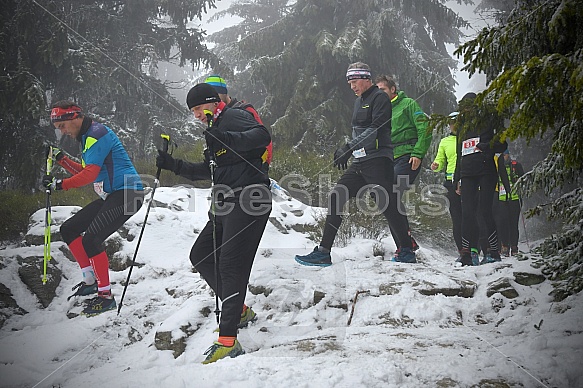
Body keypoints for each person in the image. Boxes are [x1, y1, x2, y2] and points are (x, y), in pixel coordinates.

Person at [155, 83, 272, 364]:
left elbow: (262, 135)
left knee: (231, 264)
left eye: (198, 108)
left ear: (211, 103)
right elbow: (207, 170)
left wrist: (225, 138)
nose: (195, 114)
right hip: (227, 202)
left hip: (251, 199)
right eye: (192, 111)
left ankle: (228, 341)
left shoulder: (232, 117)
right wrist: (174, 165)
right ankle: (240, 310)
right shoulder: (214, 128)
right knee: (201, 255)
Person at [294, 62, 415, 266]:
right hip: (360, 161)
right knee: (336, 196)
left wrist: (348, 147)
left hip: (378, 160)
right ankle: (324, 252)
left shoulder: (380, 98)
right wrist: (350, 151)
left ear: (367, 78)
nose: (352, 86)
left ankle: (406, 250)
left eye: (355, 81)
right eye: (349, 82)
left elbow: (376, 129)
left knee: (387, 204)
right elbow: (358, 131)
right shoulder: (360, 101)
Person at [43, 101, 144, 316]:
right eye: (58, 128)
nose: (62, 131)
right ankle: (90, 280)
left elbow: (88, 176)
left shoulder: (96, 133)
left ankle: (105, 296)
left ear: (75, 117)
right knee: (69, 229)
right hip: (112, 195)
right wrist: (61, 159)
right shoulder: (86, 137)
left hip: (128, 194)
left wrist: (59, 185)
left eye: (63, 126)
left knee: (92, 239)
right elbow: (86, 170)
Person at [375, 75, 432, 256]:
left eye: (383, 90)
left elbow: (424, 128)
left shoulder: (408, 104)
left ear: (392, 89)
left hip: (407, 156)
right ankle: (406, 241)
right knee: (385, 197)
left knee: (392, 193)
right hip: (387, 159)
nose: (380, 94)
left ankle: (404, 246)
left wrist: (417, 153)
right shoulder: (380, 111)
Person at [453, 92, 507, 266]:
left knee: (485, 211)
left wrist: (484, 146)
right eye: (464, 107)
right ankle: (466, 254)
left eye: (469, 106)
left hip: (486, 171)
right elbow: (458, 153)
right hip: (467, 173)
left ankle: (493, 252)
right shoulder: (461, 127)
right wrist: (457, 179)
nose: (467, 110)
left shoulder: (487, 120)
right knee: (466, 213)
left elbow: (502, 144)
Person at [205, 74, 273, 165]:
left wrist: (264, 163)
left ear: (225, 93)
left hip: (252, 168)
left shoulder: (244, 109)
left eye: (217, 95)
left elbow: (263, 137)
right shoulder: (214, 117)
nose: (215, 100)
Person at [431, 111, 462, 256]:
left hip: (468, 181)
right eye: (451, 122)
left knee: (472, 215)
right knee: (456, 217)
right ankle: (462, 251)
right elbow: (440, 159)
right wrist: (436, 164)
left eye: (456, 122)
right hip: (450, 182)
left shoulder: (467, 139)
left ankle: (476, 249)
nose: (453, 125)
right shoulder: (445, 142)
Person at [495, 149, 524, 256]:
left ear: (508, 155)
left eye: (506, 155)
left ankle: (514, 247)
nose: (504, 157)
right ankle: (505, 246)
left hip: (515, 199)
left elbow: (523, 180)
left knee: (513, 223)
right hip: (502, 199)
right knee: (503, 223)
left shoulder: (516, 166)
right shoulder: (497, 168)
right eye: (502, 155)